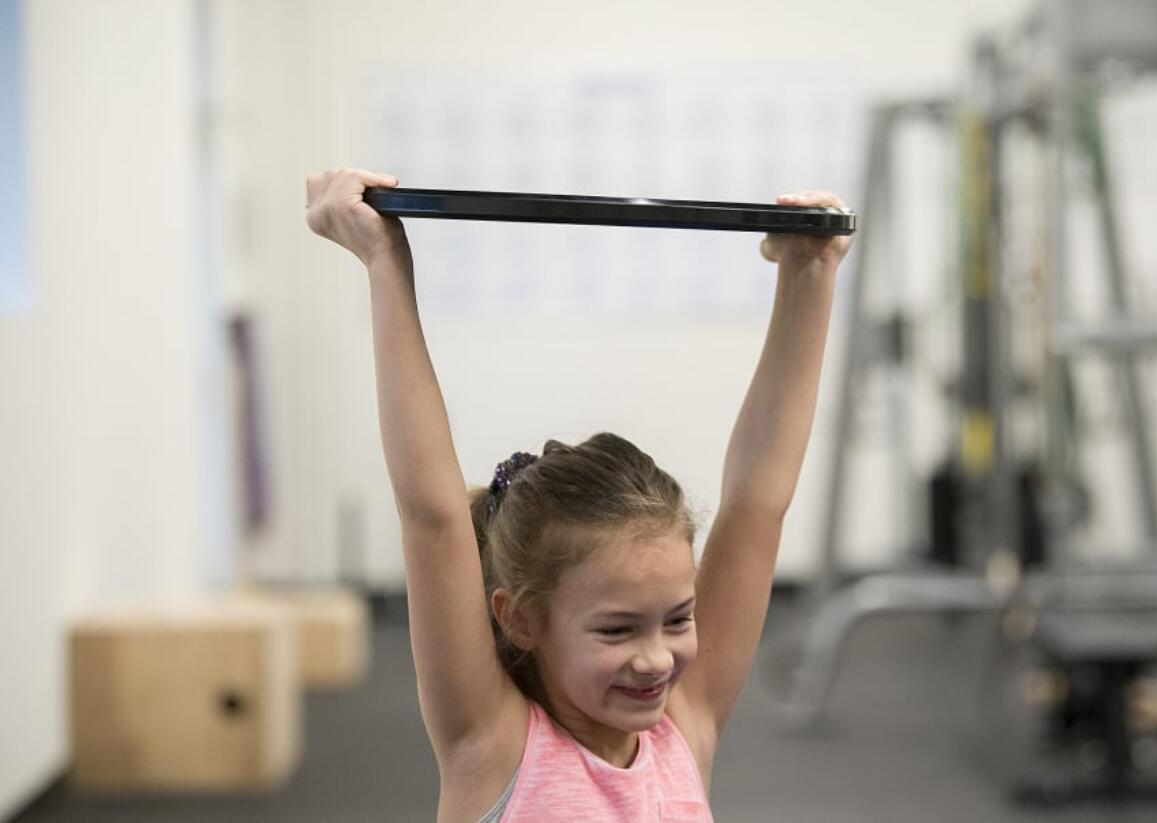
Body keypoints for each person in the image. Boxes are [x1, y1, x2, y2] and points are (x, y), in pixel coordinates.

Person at [306, 169, 852, 822]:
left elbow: (759, 499)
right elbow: (432, 515)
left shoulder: (683, 727)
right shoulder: (492, 748)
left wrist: (808, 273)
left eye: (677, 618)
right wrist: (384, 258)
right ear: (521, 618)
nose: (656, 657)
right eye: (618, 629)